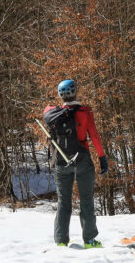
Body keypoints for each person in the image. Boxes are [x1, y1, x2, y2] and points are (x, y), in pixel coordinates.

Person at [43, 79, 109, 248]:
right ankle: (90, 240)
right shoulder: (85, 112)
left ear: (60, 95)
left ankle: (61, 241)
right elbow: (94, 136)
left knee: (63, 201)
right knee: (86, 200)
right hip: (82, 160)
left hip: (60, 161)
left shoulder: (53, 115)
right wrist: (102, 158)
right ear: (75, 92)